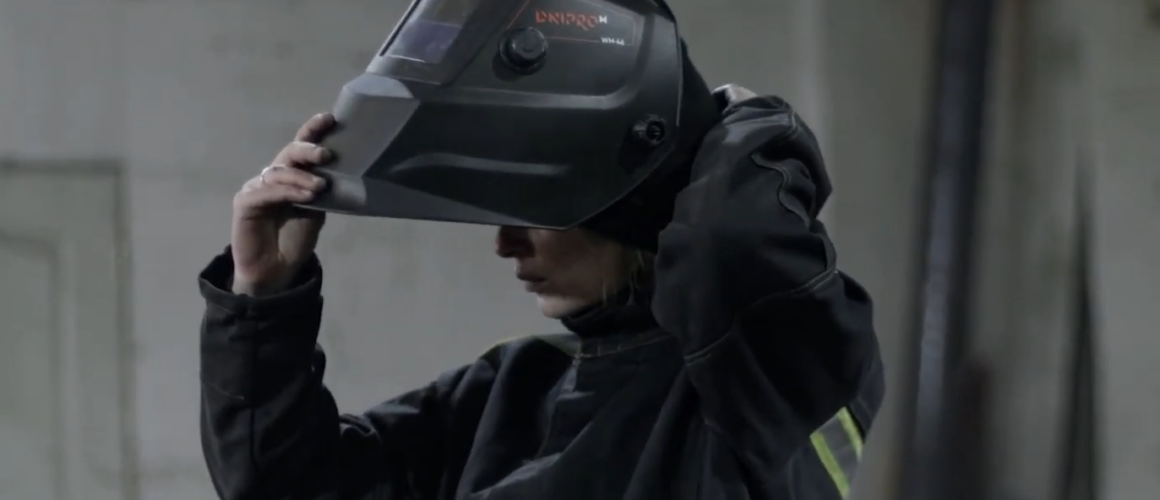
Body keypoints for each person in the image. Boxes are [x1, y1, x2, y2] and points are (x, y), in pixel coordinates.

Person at [197, 83, 885, 500]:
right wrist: (263, 295)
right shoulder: (516, 386)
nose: (504, 244)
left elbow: (728, 242)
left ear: (631, 205)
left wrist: (736, 120)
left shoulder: (766, 378)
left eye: (532, 211)